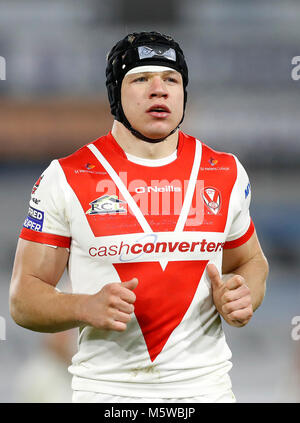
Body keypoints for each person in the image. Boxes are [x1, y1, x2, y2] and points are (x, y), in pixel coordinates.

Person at [9, 31, 269, 403]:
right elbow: (23, 299)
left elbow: (251, 262)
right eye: (142, 78)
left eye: (171, 79)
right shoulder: (65, 177)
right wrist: (83, 306)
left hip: (206, 393)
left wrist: (246, 295)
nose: (159, 89)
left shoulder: (224, 172)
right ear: (115, 94)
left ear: (183, 93)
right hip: (109, 397)